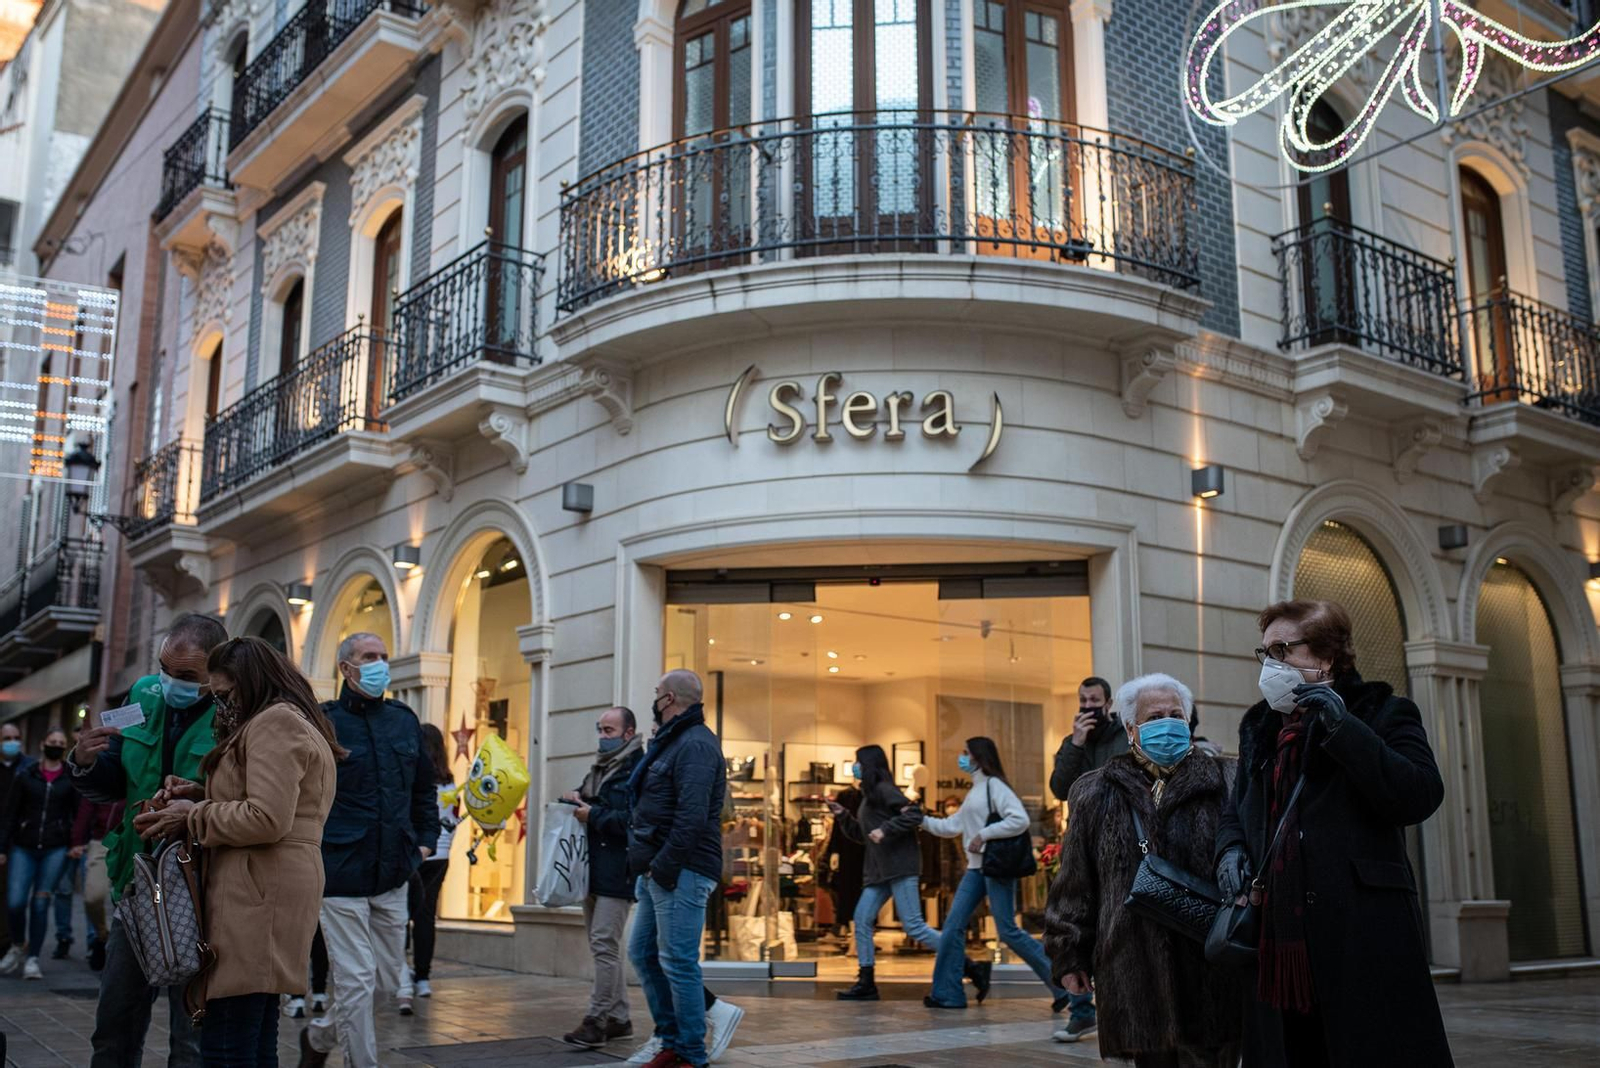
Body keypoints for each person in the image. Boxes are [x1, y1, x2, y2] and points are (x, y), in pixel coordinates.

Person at [1216, 600, 1452, 1067]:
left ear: (1326, 656)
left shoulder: (1383, 710)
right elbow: (1236, 811)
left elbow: (1419, 794)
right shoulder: (1259, 727)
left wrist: (1344, 727)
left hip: (1360, 932)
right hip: (1277, 940)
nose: (1271, 665)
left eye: (1283, 649)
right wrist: (1231, 850)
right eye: (1265, 653)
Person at [132, 637, 342, 1067]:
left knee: (229, 1039)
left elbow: (267, 817)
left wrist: (192, 814)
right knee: (252, 1029)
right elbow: (271, 799)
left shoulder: (275, 722)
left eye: (226, 695)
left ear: (252, 683)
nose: (221, 707)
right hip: (266, 883)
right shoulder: (289, 719)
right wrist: (201, 791)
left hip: (257, 889)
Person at [1043, 673, 1243, 1063]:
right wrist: (1069, 955)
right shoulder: (1095, 790)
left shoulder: (1228, 779)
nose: (1166, 724)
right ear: (1131, 728)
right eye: (1154, 718)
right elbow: (1076, 882)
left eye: (1175, 715)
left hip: (1211, 967)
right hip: (1132, 966)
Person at [73, 612, 227, 1068]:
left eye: (186, 676)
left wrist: (200, 799)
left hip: (201, 891)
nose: (170, 682)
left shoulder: (234, 712)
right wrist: (83, 763)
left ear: (215, 674)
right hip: (137, 881)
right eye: (165, 668)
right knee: (114, 1028)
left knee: (190, 1040)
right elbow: (113, 779)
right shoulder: (143, 693)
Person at [298, 631, 439, 1068]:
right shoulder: (322, 722)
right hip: (340, 872)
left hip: (394, 871)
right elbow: (304, 795)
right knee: (357, 982)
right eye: (369, 657)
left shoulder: (404, 719)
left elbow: (423, 789)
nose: (379, 664)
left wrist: (424, 842)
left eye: (383, 656)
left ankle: (318, 1039)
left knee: (381, 984)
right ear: (346, 667)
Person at [625, 669, 726, 1068]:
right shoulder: (672, 741)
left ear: (669, 699)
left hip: (682, 869)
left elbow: (692, 817)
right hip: (660, 868)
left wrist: (662, 867)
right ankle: (670, 1038)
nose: (654, 698)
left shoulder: (696, 745)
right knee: (644, 952)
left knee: (678, 960)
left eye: (657, 692)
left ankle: (689, 1052)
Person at [920, 737, 1065, 1012]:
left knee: (1008, 931)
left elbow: (1019, 819)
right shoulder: (976, 790)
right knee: (952, 928)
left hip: (995, 867)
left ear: (978, 756)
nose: (962, 757)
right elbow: (952, 826)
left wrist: (983, 835)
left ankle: (1063, 986)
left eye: (966, 753)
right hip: (977, 869)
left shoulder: (994, 786)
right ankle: (947, 993)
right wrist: (921, 820)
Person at [561, 706, 646, 1050]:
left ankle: (596, 1020)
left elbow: (634, 822)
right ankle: (620, 1018)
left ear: (628, 733)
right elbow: (594, 805)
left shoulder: (637, 770)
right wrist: (575, 799)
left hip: (618, 872)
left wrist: (592, 813)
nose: (602, 736)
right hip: (592, 870)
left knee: (603, 945)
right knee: (603, 946)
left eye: (609, 731)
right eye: (600, 729)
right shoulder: (601, 767)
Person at [829, 745, 942, 1001]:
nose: (854, 767)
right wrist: (843, 816)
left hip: (899, 867)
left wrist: (886, 830)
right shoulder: (869, 796)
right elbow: (863, 835)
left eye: (858, 762)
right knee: (862, 920)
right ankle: (866, 981)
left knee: (914, 926)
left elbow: (914, 814)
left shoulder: (884, 790)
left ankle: (966, 962)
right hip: (880, 871)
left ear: (868, 765)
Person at [0, 726, 80, 980]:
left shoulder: (70, 778)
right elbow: (10, 815)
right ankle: (17, 944)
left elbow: (77, 814)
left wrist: (76, 843)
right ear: (43, 744)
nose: (56, 745)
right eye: (52, 741)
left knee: (41, 902)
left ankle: (33, 958)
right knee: (15, 901)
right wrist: (2, 847)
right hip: (23, 846)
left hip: (54, 849)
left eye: (61, 742)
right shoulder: (26, 775)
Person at [405, 723, 456, 1002]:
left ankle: (400, 972)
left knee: (402, 914)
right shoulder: (450, 781)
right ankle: (423, 977)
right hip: (441, 856)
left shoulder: (415, 778)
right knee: (425, 916)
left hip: (415, 854)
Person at [1050, 676, 1127, 802]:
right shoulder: (1070, 743)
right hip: (1082, 819)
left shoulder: (1125, 736)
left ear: (1108, 704)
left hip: (1119, 817)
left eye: (1094, 700)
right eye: (1083, 700)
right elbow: (1060, 791)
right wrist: (1075, 746)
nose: (1088, 705)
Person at [71, 796, 125, 971]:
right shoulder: (108, 770)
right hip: (101, 841)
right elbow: (87, 805)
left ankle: (121, 950)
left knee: (126, 899)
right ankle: (103, 936)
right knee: (93, 897)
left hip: (132, 841)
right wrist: (77, 841)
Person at [0, 720, 31, 960]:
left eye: (15, 737)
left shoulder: (29, 767)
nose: (12, 743)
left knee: (13, 896)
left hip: (19, 840)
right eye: (6, 738)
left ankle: (9, 941)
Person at [820, 784, 864, 940]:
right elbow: (839, 825)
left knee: (864, 891)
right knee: (847, 890)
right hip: (848, 850)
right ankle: (846, 928)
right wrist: (835, 851)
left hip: (867, 850)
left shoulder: (872, 793)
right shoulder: (845, 796)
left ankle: (855, 932)